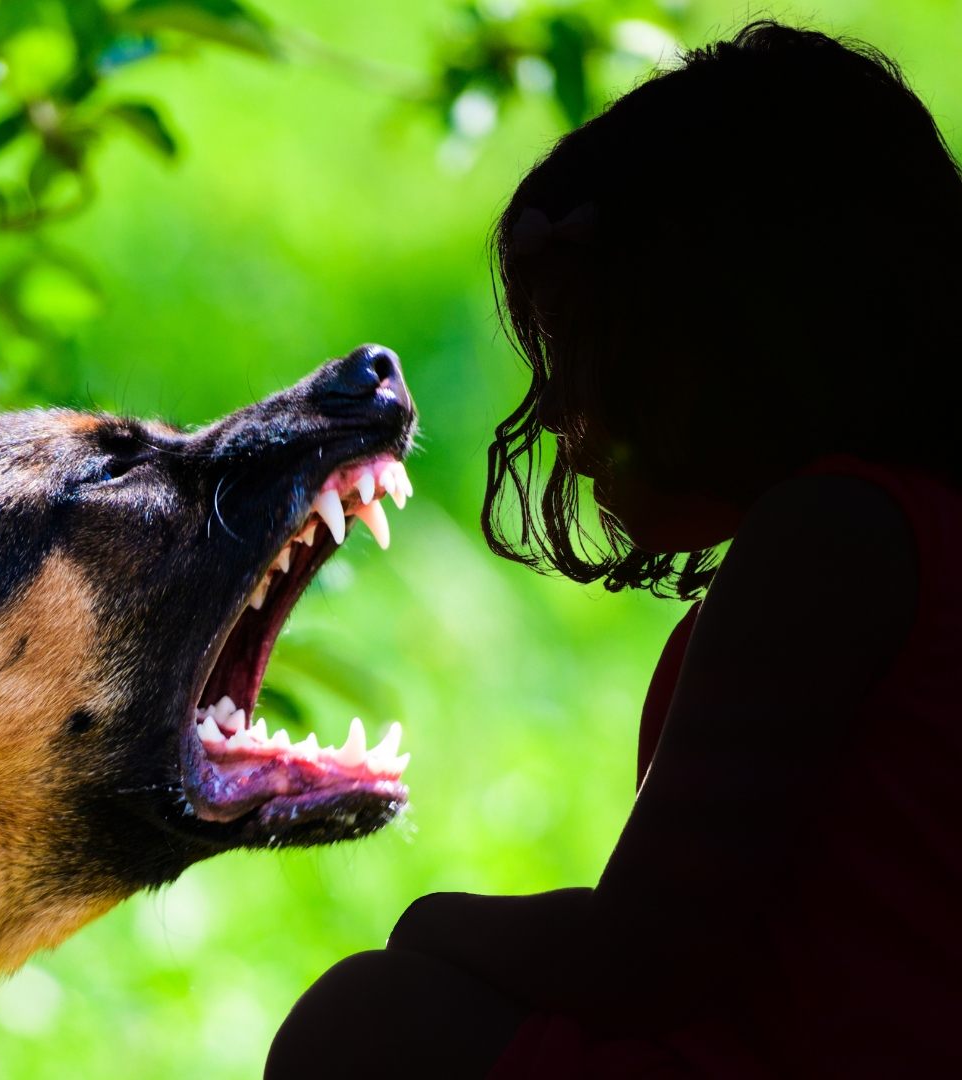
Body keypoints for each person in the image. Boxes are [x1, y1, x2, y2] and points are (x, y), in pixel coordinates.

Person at [266, 21, 962, 1079]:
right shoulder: (907, 530)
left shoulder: (833, 540)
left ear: (729, 349)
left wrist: (432, 925)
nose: (560, 416)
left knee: (369, 1022)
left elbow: (649, 955)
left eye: (592, 358)